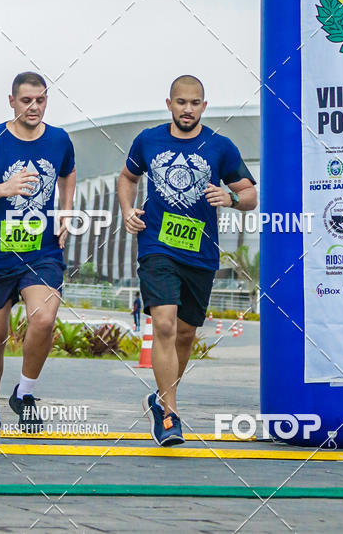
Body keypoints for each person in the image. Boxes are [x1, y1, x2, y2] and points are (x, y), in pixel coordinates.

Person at [118, 75, 257, 447]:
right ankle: (169, 412)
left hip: (200, 253)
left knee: (184, 333)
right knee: (163, 324)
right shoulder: (148, 140)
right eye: (181, 102)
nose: (187, 109)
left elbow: (250, 195)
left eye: (195, 103)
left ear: (204, 107)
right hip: (156, 247)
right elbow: (127, 177)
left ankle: (161, 398)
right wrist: (127, 209)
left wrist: (229, 199)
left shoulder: (220, 146)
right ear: (169, 104)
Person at [0, 71, 76, 444]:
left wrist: (65, 211)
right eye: (26, 100)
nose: (34, 107)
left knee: (43, 318)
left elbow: (68, 173)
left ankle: (24, 392)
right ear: (12, 101)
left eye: (40, 100)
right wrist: (5, 187)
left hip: (41, 252)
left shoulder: (59, 140)